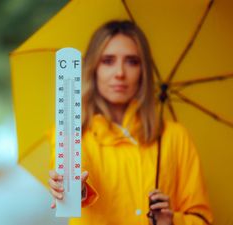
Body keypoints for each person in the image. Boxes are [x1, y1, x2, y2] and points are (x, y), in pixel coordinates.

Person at [48, 20, 213, 225]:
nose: (120, 73)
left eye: (132, 61)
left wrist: (172, 221)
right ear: (93, 68)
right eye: (108, 60)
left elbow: (202, 219)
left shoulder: (174, 136)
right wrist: (74, 188)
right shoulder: (73, 133)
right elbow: (74, 185)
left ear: (143, 70)